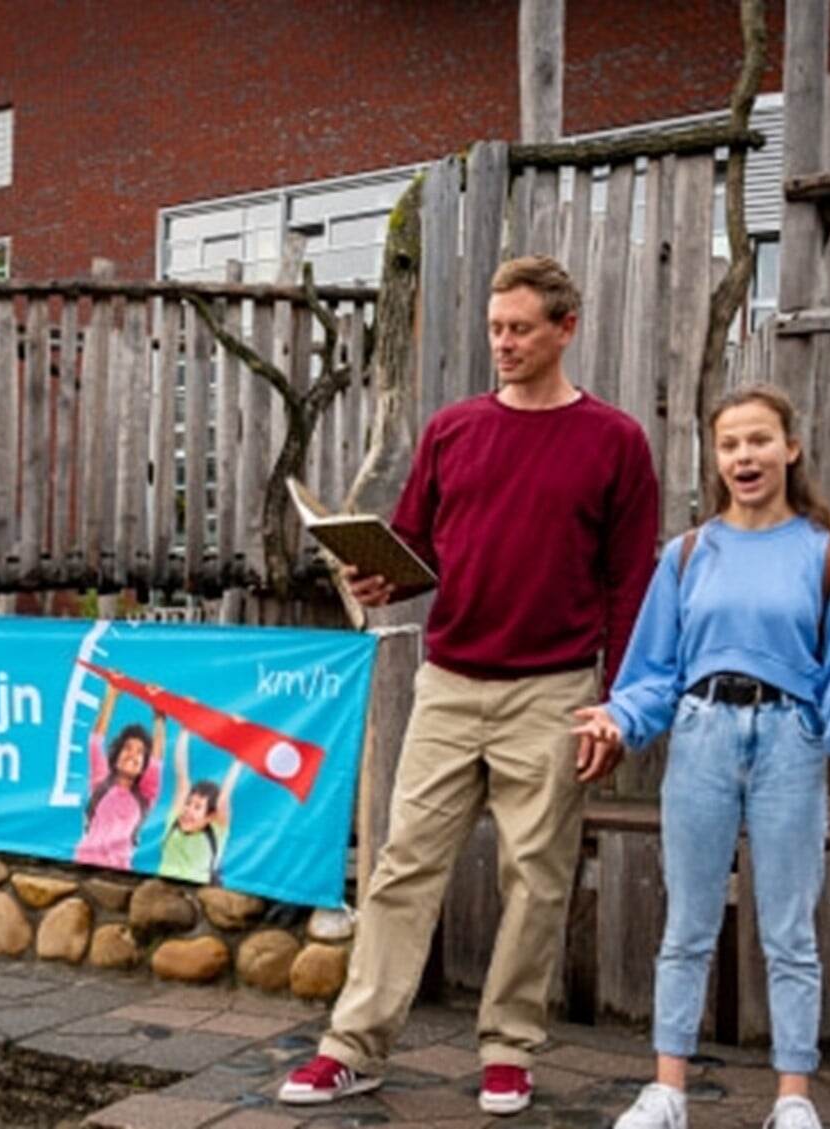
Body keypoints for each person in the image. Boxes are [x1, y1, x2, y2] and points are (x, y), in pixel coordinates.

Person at [278, 255, 660, 1116]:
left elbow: (630, 581)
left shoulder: (616, 440)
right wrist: (383, 580)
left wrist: (617, 704)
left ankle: (508, 1049)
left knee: (538, 875)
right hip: (448, 685)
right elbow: (418, 548)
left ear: (566, 328)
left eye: (520, 328)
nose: (504, 343)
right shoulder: (453, 429)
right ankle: (352, 1045)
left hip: (555, 691)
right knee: (402, 866)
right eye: (495, 328)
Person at [572, 383, 830, 1129]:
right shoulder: (687, 554)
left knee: (788, 930)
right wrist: (620, 715)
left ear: (790, 447)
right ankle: (667, 1091)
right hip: (702, 737)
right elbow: (651, 672)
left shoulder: (828, 558)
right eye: (728, 444)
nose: (743, 455)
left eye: (757, 439)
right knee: (686, 924)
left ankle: (791, 1101)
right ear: (714, 457)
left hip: (789, 743)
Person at [73, 683, 164, 870]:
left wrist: (159, 718)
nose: (132, 754)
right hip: (85, 864)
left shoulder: (145, 796)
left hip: (118, 871)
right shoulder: (101, 782)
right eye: (127, 748)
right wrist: (111, 696)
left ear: (143, 766)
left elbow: (156, 760)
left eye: (140, 752)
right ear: (116, 756)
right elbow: (95, 742)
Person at [156, 725, 244, 885]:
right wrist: (185, 730)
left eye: (197, 807)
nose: (188, 810)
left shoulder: (217, 830)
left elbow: (223, 798)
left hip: (197, 891)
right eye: (188, 804)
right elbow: (181, 773)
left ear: (210, 816)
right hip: (164, 886)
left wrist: (239, 759)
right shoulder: (175, 820)